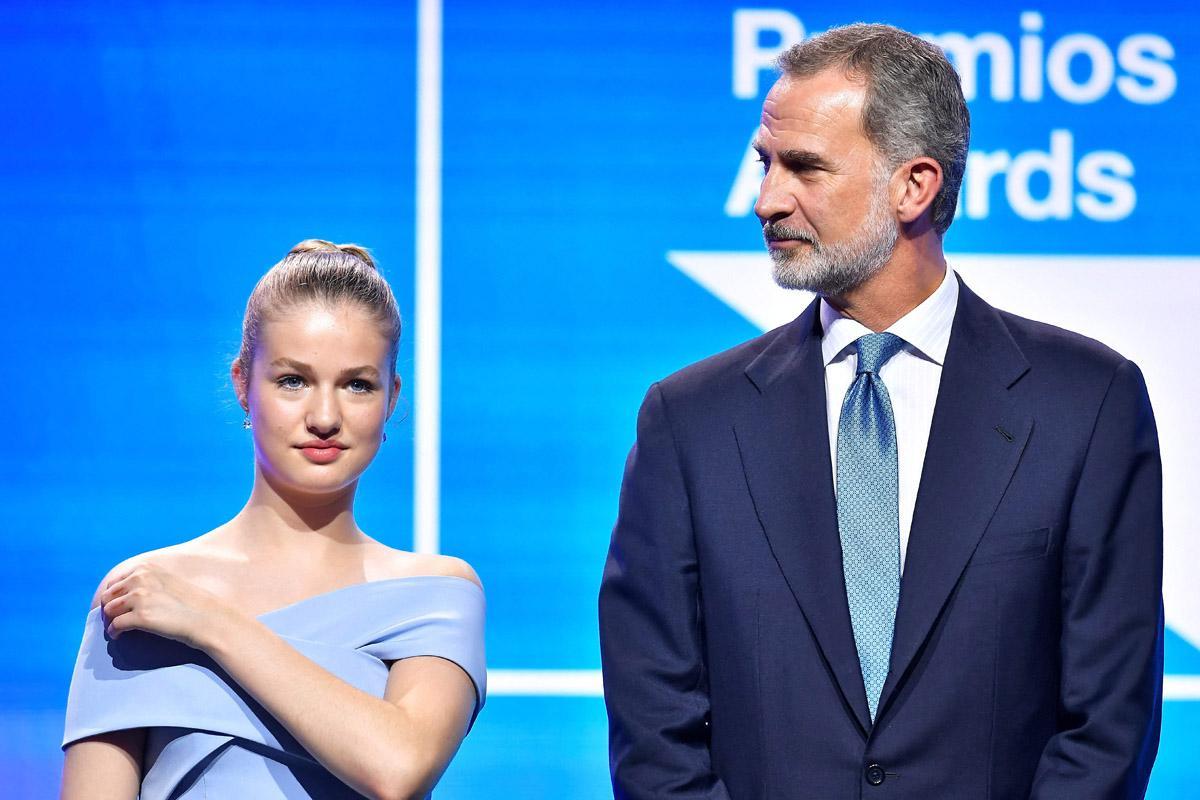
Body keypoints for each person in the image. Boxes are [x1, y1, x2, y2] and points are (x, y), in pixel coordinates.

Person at [599, 23, 1162, 800]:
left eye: (803, 168)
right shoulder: (690, 422)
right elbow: (655, 733)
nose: (766, 200)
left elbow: (1107, 727)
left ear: (914, 186)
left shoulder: (1086, 405)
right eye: (765, 164)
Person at [60, 240, 485, 800]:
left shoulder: (436, 594)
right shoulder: (143, 593)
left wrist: (210, 623)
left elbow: (398, 768)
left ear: (390, 399)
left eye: (357, 384)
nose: (326, 417)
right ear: (242, 383)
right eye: (293, 381)